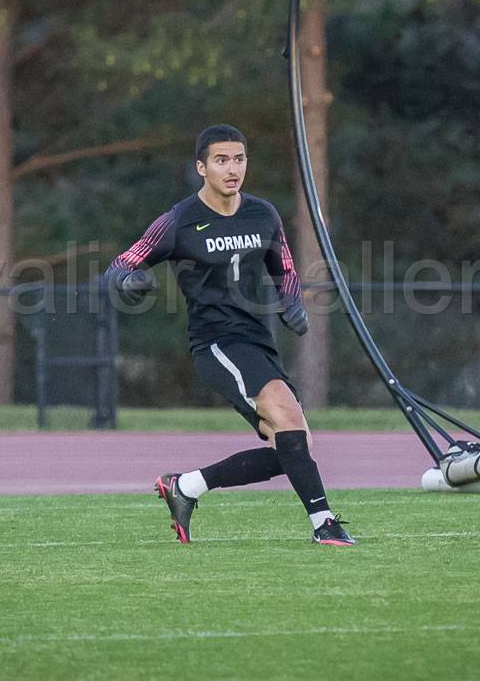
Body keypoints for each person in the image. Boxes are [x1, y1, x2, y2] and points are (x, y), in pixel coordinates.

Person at [104, 124, 355, 546]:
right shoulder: (179, 220)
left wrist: (293, 303)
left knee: (295, 447)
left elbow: (286, 272)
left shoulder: (263, 214)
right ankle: (324, 525)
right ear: (202, 167)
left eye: (239, 159)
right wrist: (128, 282)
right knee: (288, 418)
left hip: (257, 340)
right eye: (221, 160)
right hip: (216, 342)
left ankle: (187, 487)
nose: (232, 168)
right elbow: (119, 267)